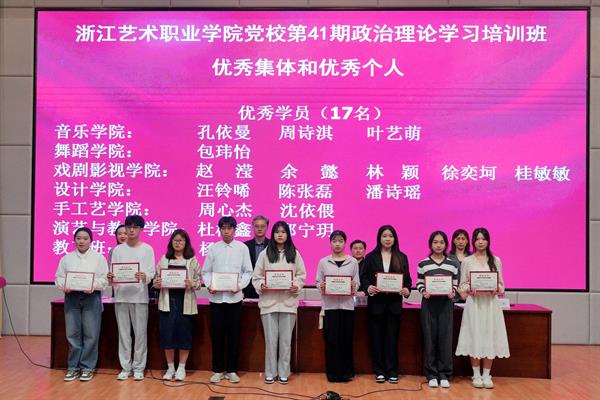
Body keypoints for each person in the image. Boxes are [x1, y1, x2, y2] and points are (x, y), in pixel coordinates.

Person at [252, 221, 306, 384]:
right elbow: (256, 277)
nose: (280, 235)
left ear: (288, 234)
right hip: (269, 304)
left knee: (285, 341)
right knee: (270, 341)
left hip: (288, 303)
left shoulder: (294, 254)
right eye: (277, 232)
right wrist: (262, 285)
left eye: (283, 232)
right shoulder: (265, 254)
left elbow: (301, 275)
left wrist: (296, 285)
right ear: (273, 234)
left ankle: (283, 372)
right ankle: (270, 372)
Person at [455, 227, 510, 389]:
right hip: (474, 304)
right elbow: (462, 285)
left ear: (488, 241)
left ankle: (487, 375)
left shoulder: (496, 260)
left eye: (483, 239)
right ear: (473, 241)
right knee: (475, 336)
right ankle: (476, 375)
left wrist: (497, 289)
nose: (480, 242)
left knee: (489, 336)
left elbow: (502, 285)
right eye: (477, 239)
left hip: (491, 305)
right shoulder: (467, 261)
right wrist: (469, 289)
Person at [202, 216, 253, 384]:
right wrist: (209, 285)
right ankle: (217, 370)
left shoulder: (242, 248)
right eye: (223, 228)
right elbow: (206, 272)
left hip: (234, 299)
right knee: (217, 335)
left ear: (234, 230)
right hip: (216, 299)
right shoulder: (213, 248)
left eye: (229, 228)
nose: (226, 231)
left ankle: (231, 370)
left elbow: (248, 271)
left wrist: (239, 286)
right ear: (219, 230)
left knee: (233, 336)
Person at [55, 227, 108, 382]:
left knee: (91, 334)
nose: (81, 241)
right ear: (74, 240)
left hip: (91, 297)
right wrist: (64, 285)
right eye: (78, 238)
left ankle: (87, 367)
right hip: (71, 297)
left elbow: (104, 279)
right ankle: (73, 367)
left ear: (91, 241)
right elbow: (58, 277)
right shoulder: (66, 259)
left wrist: (93, 285)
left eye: (85, 238)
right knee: (72, 333)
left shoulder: (99, 258)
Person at [107, 215, 156, 381]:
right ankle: (125, 367)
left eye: (135, 227)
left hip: (139, 296)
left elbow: (151, 272)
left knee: (140, 334)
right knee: (123, 334)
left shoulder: (147, 249)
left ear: (141, 229)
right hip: (121, 296)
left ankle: (139, 367)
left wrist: (145, 275)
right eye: (129, 227)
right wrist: (111, 276)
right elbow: (112, 273)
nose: (131, 230)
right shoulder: (118, 250)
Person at [363, 225, 412, 384]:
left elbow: (408, 280)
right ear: (379, 238)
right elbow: (364, 277)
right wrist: (368, 288)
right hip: (376, 304)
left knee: (392, 339)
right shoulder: (371, 257)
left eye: (390, 236)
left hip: (394, 305)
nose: (387, 239)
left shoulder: (402, 257)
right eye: (384, 236)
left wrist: (407, 289)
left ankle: (392, 371)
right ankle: (379, 371)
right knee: (376, 339)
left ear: (395, 238)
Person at [153, 229, 201, 381]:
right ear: (171, 242)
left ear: (186, 243)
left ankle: (181, 368)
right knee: (167, 336)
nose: (178, 243)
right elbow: (155, 279)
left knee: (184, 335)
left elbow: (199, 282)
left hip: (185, 303)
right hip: (167, 303)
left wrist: (192, 283)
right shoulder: (164, 259)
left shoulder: (192, 260)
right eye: (175, 240)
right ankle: (170, 368)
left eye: (181, 240)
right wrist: (157, 283)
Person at [416, 231, 459, 389]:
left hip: (446, 304)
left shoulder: (452, 264)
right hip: (429, 305)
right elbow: (419, 283)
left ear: (446, 244)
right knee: (430, 338)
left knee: (445, 339)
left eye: (441, 242)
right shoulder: (423, 264)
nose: (438, 245)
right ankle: (432, 374)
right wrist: (423, 291)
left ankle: (444, 374)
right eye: (435, 242)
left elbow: (455, 283)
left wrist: (452, 291)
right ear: (430, 244)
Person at [316, 230, 360, 383]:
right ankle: (332, 374)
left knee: (346, 340)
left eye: (340, 241)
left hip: (347, 307)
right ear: (330, 243)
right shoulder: (323, 262)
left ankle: (346, 373)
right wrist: (321, 286)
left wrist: (354, 286)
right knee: (331, 340)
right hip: (330, 307)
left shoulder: (353, 262)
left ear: (345, 243)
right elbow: (317, 282)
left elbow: (357, 282)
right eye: (334, 241)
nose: (337, 244)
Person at [244, 216, 270, 299]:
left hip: (268, 286)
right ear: (252, 227)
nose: (259, 229)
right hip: (248, 287)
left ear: (267, 227)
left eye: (262, 226)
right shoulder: (244, 246)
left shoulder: (273, 245)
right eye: (257, 226)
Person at [448, 229, 471, 303]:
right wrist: (459, 291)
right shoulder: (447, 257)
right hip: (452, 297)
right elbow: (447, 277)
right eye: (458, 239)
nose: (461, 241)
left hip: (469, 296)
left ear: (467, 241)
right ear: (454, 241)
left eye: (463, 239)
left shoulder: (473, 257)